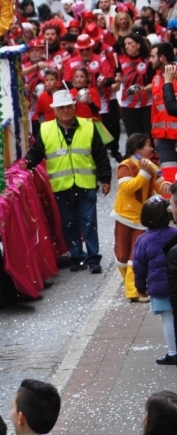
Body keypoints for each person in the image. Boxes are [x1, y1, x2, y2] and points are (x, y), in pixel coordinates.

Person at [23, 90, 112, 273]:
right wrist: (26, 164)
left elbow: (100, 154)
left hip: (86, 184)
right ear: (55, 111)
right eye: (61, 108)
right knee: (69, 224)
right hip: (62, 187)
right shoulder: (46, 129)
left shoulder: (88, 126)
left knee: (89, 222)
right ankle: (78, 257)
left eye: (68, 107)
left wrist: (105, 178)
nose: (65, 110)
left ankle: (93, 258)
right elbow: (37, 152)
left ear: (74, 107)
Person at [112, 133, 166, 302]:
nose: (152, 148)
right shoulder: (125, 166)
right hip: (125, 216)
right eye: (148, 145)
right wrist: (143, 173)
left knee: (135, 255)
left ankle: (134, 291)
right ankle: (130, 283)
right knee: (121, 255)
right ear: (138, 148)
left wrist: (169, 187)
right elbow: (127, 188)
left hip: (142, 218)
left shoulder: (151, 166)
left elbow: (159, 184)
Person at [133, 197, 177, 365]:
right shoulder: (174, 233)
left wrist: (141, 287)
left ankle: (173, 352)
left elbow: (139, 267)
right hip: (175, 282)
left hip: (160, 287)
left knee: (167, 319)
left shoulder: (143, 240)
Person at [118, 33, 155, 137]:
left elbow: (154, 83)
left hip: (147, 104)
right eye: (125, 44)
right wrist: (116, 82)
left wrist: (142, 89)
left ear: (138, 45)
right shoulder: (121, 61)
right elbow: (115, 85)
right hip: (128, 105)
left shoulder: (148, 61)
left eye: (130, 43)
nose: (127, 46)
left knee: (149, 135)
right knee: (134, 137)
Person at [151, 43, 177, 177]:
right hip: (163, 137)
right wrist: (155, 134)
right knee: (167, 178)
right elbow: (155, 110)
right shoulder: (155, 79)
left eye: (152, 56)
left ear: (162, 58)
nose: (150, 60)